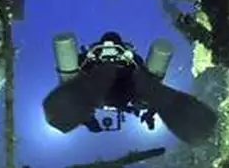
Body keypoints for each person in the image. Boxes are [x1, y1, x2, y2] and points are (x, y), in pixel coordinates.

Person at [41, 31, 219, 145]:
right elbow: (149, 85)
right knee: (146, 90)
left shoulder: (88, 59)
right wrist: (149, 109)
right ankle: (196, 124)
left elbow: (74, 90)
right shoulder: (131, 58)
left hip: (102, 88)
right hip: (127, 88)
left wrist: (88, 121)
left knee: (91, 89)